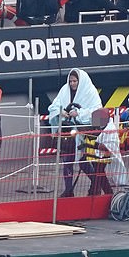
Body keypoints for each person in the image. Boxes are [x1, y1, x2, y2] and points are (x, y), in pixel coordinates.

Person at [48, 68, 102, 197]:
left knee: (82, 160)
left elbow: (96, 111)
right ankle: (68, 190)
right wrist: (61, 112)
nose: (72, 84)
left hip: (85, 132)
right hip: (69, 132)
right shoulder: (64, 90)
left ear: (80, 81)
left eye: (75, 81)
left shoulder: (90, 92)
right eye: (70, 81)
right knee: (67, 160)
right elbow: (54, 106)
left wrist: (79, 113)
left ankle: (96, 182)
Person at [77, 108, 115, 196]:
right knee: (98, 172)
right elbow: (90, 129)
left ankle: (100, 192)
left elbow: (105, 142)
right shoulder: (98, 127)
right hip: (95, 154)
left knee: (99, 173)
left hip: (103, 154)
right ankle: (98, 191)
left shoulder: (108, 129)